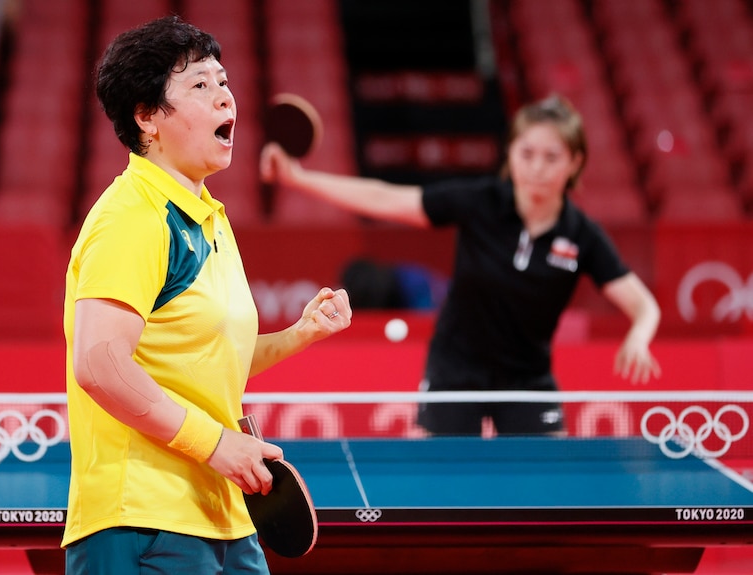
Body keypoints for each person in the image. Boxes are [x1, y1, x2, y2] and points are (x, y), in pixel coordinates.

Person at [62, 16, 351, 575]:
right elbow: (99, 364)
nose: (224, 97)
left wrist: (300, 335)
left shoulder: (209, 219)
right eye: (200, 85)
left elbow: (208, 362)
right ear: (146, 117)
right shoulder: (131, 216)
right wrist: (218, 445)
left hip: (222, 514)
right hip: (143, 520)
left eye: (224, 82)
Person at [260, 94, 661, 437]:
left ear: (574, 163)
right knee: (436, 497)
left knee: (548, 496)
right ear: (511, 154)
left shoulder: (581, 234)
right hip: (455, 370)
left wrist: (639, 335)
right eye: (527, 154)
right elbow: (385, 198)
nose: (537, 167)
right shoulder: (482, 202)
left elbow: (644, 306)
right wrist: (299, 179)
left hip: (527, 379)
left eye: (551, 157)